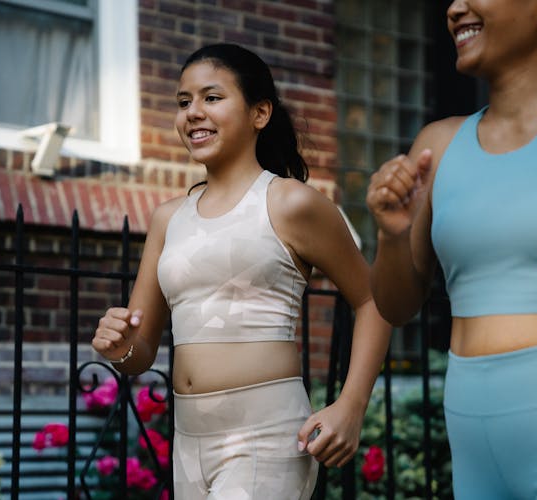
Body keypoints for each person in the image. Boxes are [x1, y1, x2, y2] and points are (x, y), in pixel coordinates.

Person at [92, 43, 391, 499]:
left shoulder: (291, 203)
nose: (193, 112)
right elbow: (141, 354)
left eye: (212, 98)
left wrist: (350, 408)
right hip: (189, 442)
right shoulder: (167, 219)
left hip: (266, 435)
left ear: (260, 113)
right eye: (183, 101)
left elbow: (374, 302)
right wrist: (118, 346)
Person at [366, 0, 537, 498]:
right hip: (472, 436)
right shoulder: (438, 144)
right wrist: (392, 234)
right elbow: (397, 307)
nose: (454, 8)